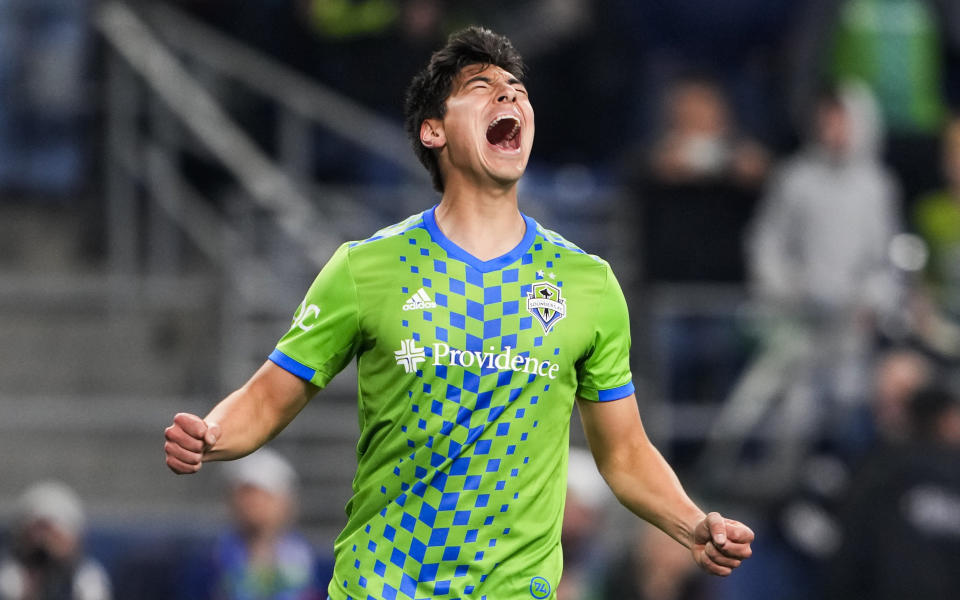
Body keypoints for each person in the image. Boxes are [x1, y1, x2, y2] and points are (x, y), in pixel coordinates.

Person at [164, 26, 754, 600]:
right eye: (481, 88)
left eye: (517, 90)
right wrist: (212, 436)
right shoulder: (366, 268)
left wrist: (690, 524)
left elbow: (623, 452)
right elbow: (269, 396)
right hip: (383, 587)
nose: (510, 96)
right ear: (432, 132)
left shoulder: (588, 284)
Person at [204, 448, 321, 600]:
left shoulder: (309, 560)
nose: (251, 505)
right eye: (243, 496)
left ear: (285, 502)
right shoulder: (212, 560)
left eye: (262, 496)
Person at [0, 481, 111, 600]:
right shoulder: (10, 577)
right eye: (37, 532)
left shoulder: (87, 579)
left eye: (54, 535)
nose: (43, 542)